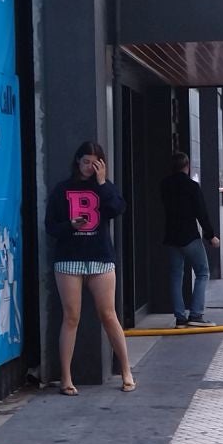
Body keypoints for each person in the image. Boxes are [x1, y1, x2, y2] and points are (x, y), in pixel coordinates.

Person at [44, 141, 135, 395]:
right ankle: (66, 377)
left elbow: (117, 209)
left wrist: (103, 183)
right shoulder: (62, 190)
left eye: (95, 163)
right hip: (69, 258)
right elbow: (50, 226)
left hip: (100, 257)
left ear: (102, 164)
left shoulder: (105, 188)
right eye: (85, 162)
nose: (89, 167)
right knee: (71, 316)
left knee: (108, 314)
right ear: (77, 161)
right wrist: (70, 226)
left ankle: (126, 370)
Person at [160, 151, 220, 328]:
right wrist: (210, 235)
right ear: (187, 166)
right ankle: (196, 314)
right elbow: (201, 213)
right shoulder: (192, 186)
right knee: (202, 272)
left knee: (176, 276)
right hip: (189, 237)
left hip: (171, 237)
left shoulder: (164, 185)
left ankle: (180, 318)